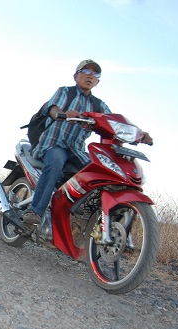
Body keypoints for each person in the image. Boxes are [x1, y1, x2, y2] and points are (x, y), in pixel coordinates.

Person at [20, 59, 153, 233]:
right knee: (56, 164)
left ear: (98, 81)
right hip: (54, 144)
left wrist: (139, 135)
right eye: (86, 71)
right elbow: (52, 108)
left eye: (95, 74)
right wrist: (60, 114)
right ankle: (35, 211)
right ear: (76, 76)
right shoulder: (65, 92)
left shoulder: (98, 106)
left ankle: (87, 220)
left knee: (100, 172)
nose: (90, 76)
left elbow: (114, 125)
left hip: (76, 150)